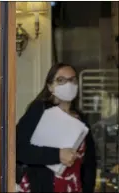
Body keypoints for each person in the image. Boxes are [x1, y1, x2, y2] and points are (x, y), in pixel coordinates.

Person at [16, 63, 97, 192]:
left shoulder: (81, 120)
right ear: (50, 86)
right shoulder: (39, 111)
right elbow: (19, 149)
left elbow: (89, 165)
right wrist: (57, 155)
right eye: (61, 80)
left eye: (72, 80)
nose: (68, 84)